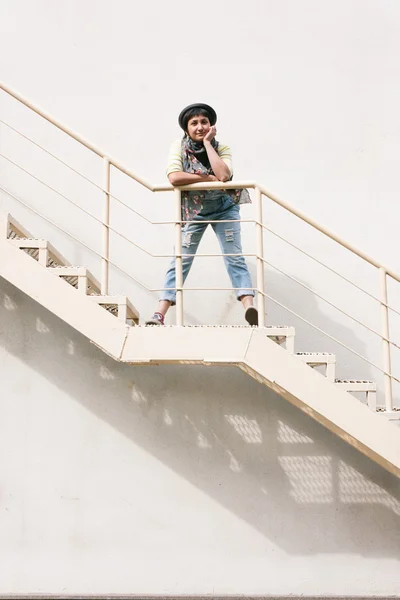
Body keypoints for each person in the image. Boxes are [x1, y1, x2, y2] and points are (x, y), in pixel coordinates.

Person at [145, 103, 258, 326]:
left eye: (204, 122)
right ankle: (160, 313)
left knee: (234, 257)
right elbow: (174, 177)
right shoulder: (178, 147)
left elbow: (224, 175)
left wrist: (208, 144)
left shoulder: (222, 148)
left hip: (224, 208)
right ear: (186, 128)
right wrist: (206, 179)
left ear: (211, 125)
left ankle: (250, 307)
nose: (200, 127)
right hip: (194, 211)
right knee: (181, 260)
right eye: (194, 123)